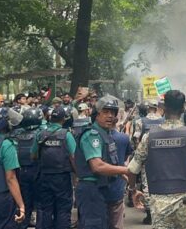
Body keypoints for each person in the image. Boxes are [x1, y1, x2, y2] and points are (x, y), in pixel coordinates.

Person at [127, 90, 186, 229]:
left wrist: (133, 190)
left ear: (163, 108)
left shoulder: (149, 137)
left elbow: (132, 169)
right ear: (183, 109)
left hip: (159, 204)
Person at [74, 96, 130, 229]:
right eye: (105, 112)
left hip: (102, 189)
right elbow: (97, 166)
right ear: (96, 114)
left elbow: (114, 165)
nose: (110, 116)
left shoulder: (106, 135)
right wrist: (126, 170)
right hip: (90, 189)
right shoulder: (92, 135)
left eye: (113, 112)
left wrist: (131, 187)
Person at [33, 107, 76, 229]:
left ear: (51, 119)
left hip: (44, 176)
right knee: (63, 208)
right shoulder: (67, 135)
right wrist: (77, 175)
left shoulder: (40, 134)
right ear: (63, 120)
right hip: (62, 178)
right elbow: (73, 157)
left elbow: (33, 155)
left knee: (45, 209)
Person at [9, 107, 44, 229]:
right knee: (40, 203)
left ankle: (23, 224)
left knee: (24, 202)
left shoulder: (16, 134)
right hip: (37, 171)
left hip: (21, 172)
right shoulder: (42, 133)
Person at [105, 119, 133, 229]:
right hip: (117, 185)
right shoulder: (124, 138)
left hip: (98, 187)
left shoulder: (96, 137)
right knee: (117, 221)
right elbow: (126, 158)